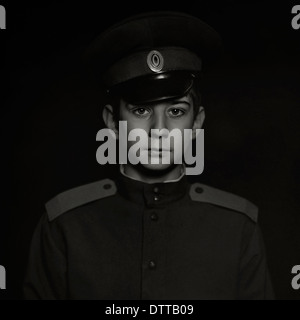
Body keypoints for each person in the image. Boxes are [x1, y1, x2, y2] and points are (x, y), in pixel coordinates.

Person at [23, 11, 274, 299]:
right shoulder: (65, 227)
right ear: (112, 121)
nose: (159, 129)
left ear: (196, 123)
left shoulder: (237, 227)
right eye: (141, 110)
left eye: (176, 111)